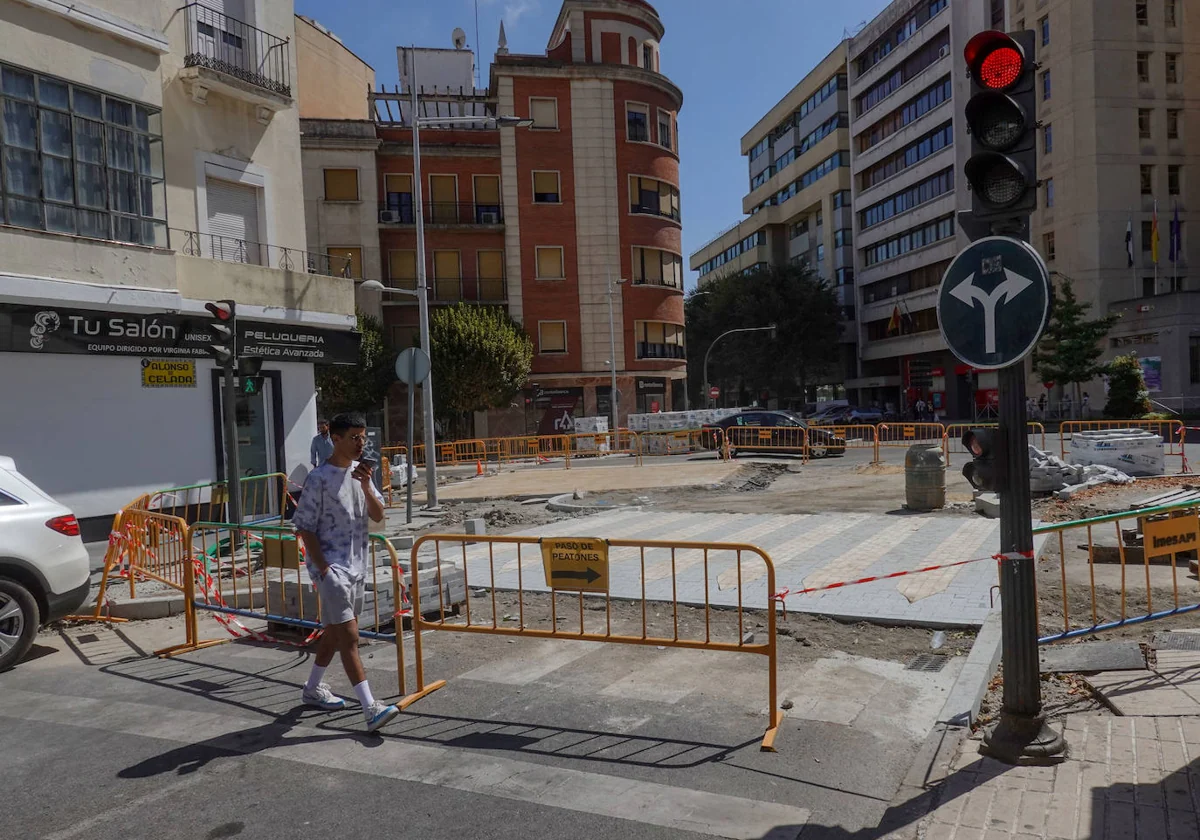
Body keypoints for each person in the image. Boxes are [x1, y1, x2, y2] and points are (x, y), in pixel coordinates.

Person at [292, 412, 399, 732]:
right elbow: (304, 526)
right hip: (332, 569)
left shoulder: (359, 473)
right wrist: (322, 568)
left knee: (335, 633)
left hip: (357, 565)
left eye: (362, 437)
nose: (360, 443)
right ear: (334, 439)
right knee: (350, 636)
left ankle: (312, 689)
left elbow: (378, 516)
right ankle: (370, 708)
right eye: (353, 437)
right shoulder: (319, 478)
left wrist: (367, 486)